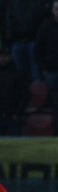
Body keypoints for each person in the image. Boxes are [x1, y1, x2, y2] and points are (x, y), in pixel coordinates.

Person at [0, 47, 29, 136]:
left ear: (10, 57)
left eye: (5, 56)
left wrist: (18, 113)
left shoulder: (18, 74)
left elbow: (25, 95)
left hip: (13, 116)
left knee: (16, 144)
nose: (3, 59)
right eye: (0, 56)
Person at [34, 0, 58, 135]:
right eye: (56, 9)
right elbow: (38, 50)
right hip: (52, 70)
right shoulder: (45, 27)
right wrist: (44, 67)